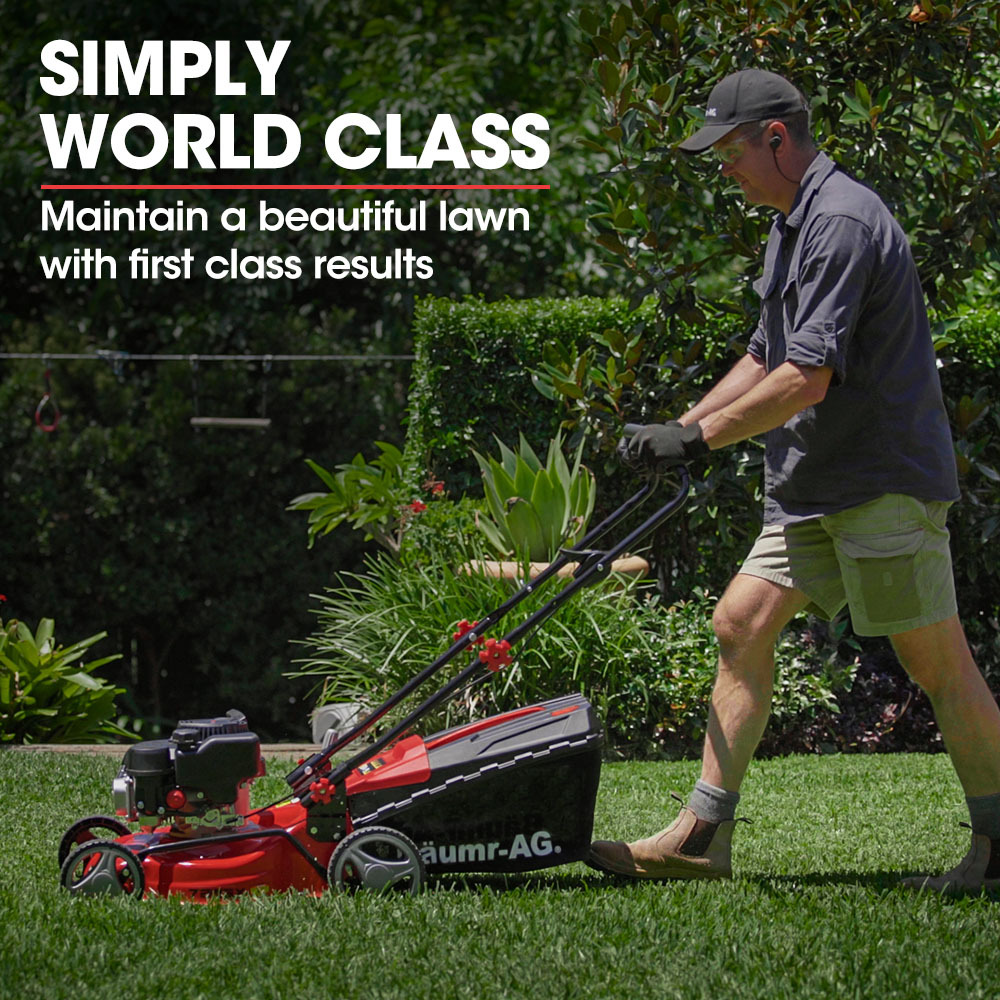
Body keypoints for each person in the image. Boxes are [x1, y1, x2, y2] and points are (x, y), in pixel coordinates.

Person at [588, 68, 1000, 893]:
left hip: (878, 482)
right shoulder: (791, 223)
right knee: (739, 623)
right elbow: (764, 354)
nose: (726, 170)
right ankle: (700, 837)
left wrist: (696, 440)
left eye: (731, 152)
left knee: (938, 666)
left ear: (776, 138)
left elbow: (807, 378)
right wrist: (679, 429)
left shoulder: (841, 221)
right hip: (815, 485)